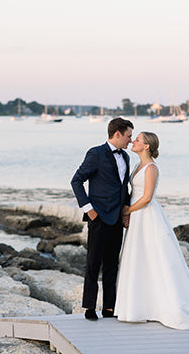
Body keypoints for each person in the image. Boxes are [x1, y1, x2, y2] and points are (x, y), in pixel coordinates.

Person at [114, 132, 189, 330]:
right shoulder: (138, 165)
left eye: (137, 140)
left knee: (155, 258)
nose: (133, 142)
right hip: (138, 217)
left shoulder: (151, 168)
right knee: (139, 259)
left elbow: (146, 197)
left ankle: (163, 306)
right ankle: (140, 306)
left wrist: (127, 210)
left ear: (146, 146)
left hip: (147, 216)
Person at [71, 117, 134, 321]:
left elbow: (123, 187)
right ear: (117, 134)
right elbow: (76, 180)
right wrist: (89, 209)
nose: (130, 140)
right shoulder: (96, 153)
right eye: (128, 136)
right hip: (98, 217)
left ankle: (109, 308)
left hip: (116, 218)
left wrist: (126, 211)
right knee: (93, 263)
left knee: (112, 264)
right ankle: (89, 307)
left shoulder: (125, 157)